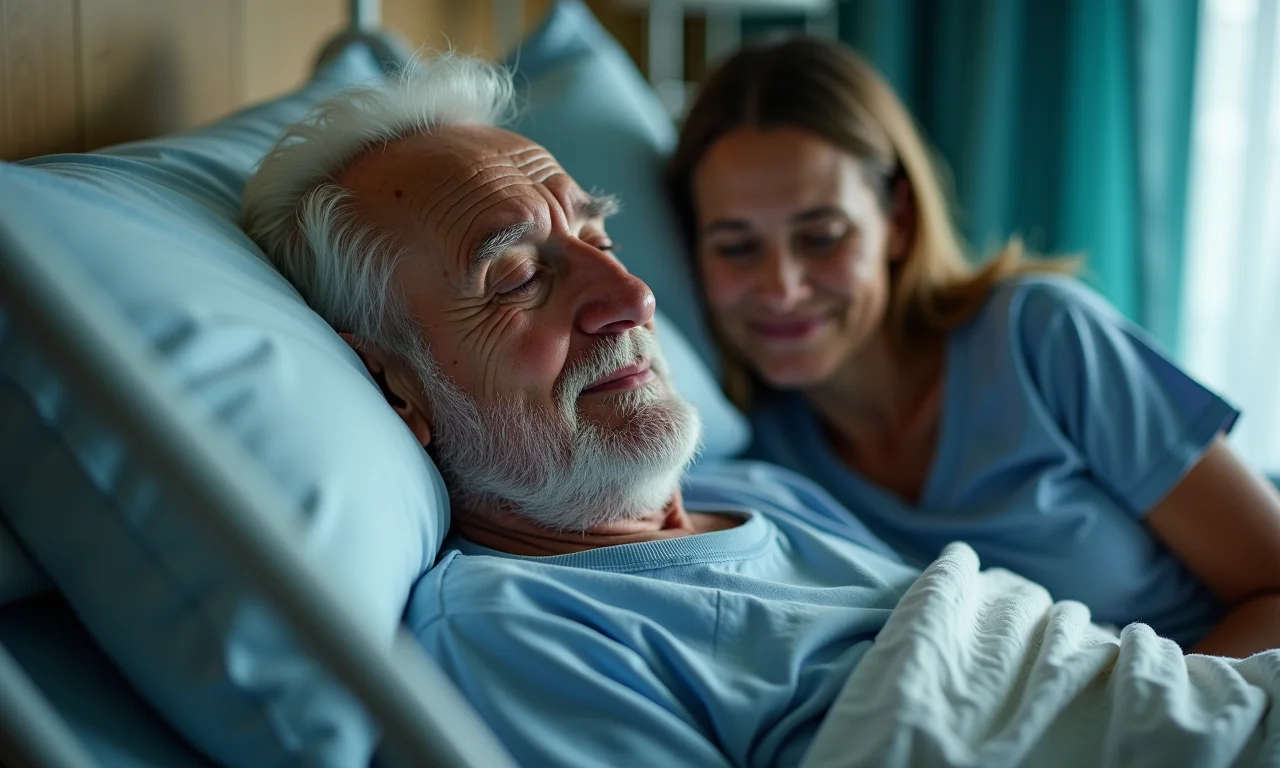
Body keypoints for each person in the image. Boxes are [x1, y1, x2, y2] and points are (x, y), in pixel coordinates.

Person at [241, 54, 1270, 767]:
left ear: (893, 221)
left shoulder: (764, 487)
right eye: (515, 276)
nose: (633, 299)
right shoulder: (519, 628)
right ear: (392, 388)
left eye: (598, 236)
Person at [666, 36, 1280, 657]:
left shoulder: (1042, 338)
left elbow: (1274, 585)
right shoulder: (753, 463)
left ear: (897, 221)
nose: (783, 287)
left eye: (822, 237)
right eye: (737, 247)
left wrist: (1144, 737)